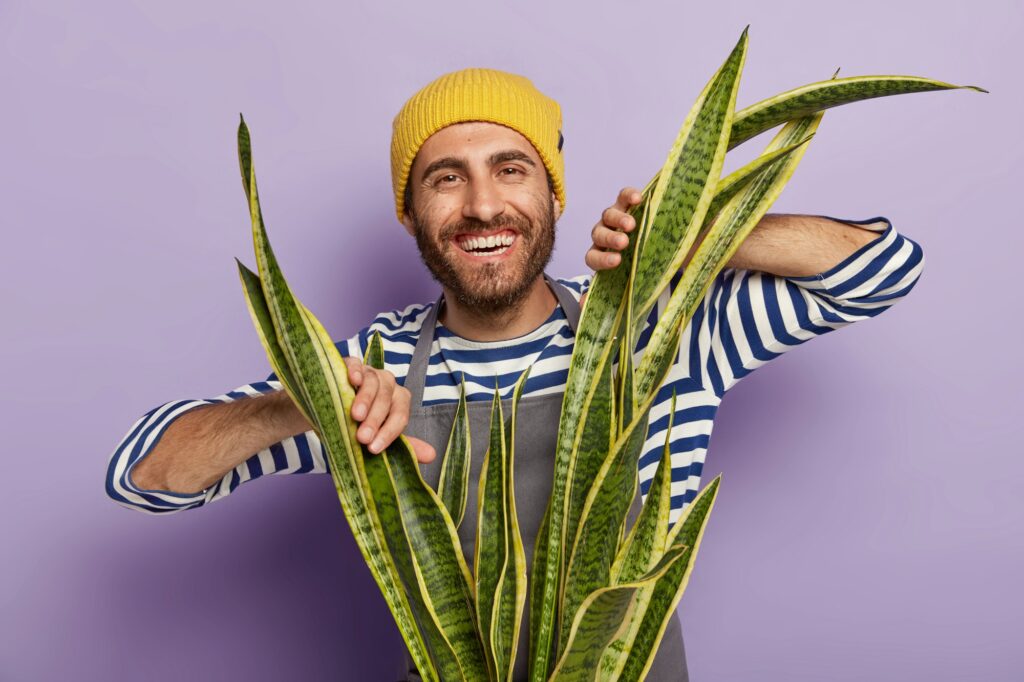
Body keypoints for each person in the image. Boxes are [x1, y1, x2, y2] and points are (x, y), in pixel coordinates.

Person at [105, 68, 925, 680]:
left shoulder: (656, 334)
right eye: (445, 178)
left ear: (553, 195)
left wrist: (698, 235)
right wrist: (306, 403)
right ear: (412, 212)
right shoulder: (373, 366)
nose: (483, 206)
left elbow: (882, 268)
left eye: (511, 168)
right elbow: (144, 475)